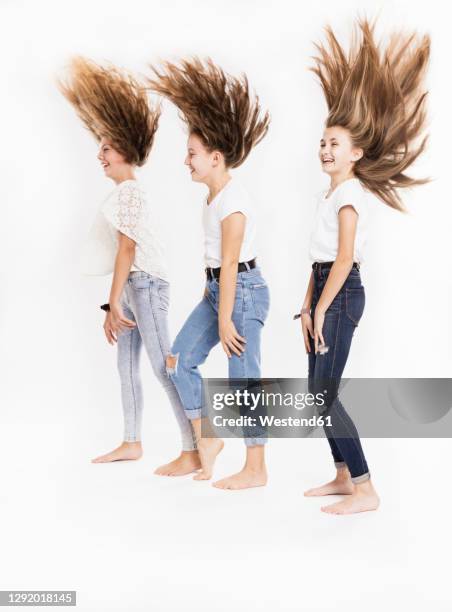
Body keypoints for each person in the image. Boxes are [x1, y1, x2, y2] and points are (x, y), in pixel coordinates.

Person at [298, 19, 430, 514]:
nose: (325, 149)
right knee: (316, 393)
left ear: (355, 155)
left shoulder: (350, 193)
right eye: (322, 142)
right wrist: (305, 305)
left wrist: (322, 307)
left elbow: (345, 257)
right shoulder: (327, 193)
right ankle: (341, 477)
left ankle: (366, 489)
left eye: (335, 144)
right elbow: (317, 257)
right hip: (323, 289)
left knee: (325, 393)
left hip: (343, 292)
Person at [57, 57, 199, 475]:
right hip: (131, 289)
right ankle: (132, 442)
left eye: (106, 147)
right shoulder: (120, 193)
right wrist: (115, 302)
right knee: (126, 368)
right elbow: (120, 254)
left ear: (124, 150)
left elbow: (127, 249)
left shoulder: (130, 192)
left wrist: (114, 301)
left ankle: (193, 447)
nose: (99, 154)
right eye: (99, 146)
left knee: (162, 366)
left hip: (147, 286)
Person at [147, 57, 271, 489]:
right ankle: (207, 442)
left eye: (193, 155)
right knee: (178, 362)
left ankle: (256, 467)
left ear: (215, 158)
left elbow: (234, 261)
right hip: (220, 290)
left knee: (244, 379)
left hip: (244, 293)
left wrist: (222, 315)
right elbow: (218, 261)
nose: (187, 161)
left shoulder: (233, 202)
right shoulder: (212, 199)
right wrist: (210, 294)